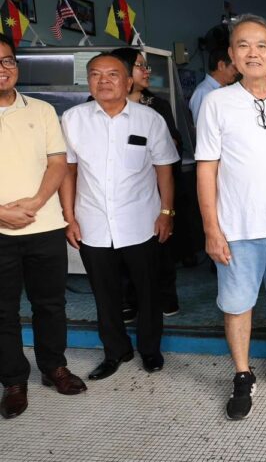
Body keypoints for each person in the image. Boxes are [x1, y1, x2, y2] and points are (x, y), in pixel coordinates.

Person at [196, 14, 266, 421]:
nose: (253, 53)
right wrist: (211, 229)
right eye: (243, 45)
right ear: (231, 54)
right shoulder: (215, 102)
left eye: (262, 45)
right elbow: (206, 168)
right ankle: (242, 374)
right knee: (237, 302)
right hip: (237, 226)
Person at [59, 53, 179, 380]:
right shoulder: (73, 119)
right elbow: (68, 172)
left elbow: (164, 171)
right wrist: (69, 217)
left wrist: (166, 213)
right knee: (105, 293)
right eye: (96, 74)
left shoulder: (149, 119)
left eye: (113, 74)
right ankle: (116, 350)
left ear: (127, 82)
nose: (104, 81)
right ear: (88, 81)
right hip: (93, 222)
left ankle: (150, 350)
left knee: (148, 290)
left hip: (141, 221)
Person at [0, 34, 87, 420]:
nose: (2, 69)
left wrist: (35, 204)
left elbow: (57, 163)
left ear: (16, 66)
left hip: (44, 226)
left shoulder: (42, 110)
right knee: (2, 311)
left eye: (7, 61)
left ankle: (54, 367)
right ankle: (13, 380)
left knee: (50, 304)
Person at [110, 47, 183, 320]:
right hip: (117, 191)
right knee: (120, 249)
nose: (146, 71)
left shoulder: (157, 105)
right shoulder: (100, 104)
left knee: (159, 244)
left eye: (146, 66)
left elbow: (173, 144)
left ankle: (164, 296)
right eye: (140, 65)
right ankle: (127, 300)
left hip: (154, 186)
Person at [188, 47, 238, 124]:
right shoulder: (203, 91)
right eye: (235, 67)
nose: (237, 72)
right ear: (221, 65)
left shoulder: (229, 91)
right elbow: (201, 126)